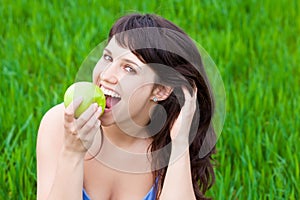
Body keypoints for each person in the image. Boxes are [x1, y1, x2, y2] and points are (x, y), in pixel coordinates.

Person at [37, 13, 216, 200]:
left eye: (129, 68)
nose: (106, 75)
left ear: (161, 90)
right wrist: (72, 152)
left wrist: (180, 144)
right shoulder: (60, 123)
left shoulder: (167, 145)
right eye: (107, 57)